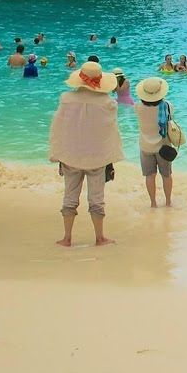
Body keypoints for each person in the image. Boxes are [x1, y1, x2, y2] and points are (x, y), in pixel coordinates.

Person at [48, 61, 123, 247]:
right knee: (97, 199)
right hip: (97, 157)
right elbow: (110, 132)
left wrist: (58, 153)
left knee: (69, 196)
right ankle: (100, 238)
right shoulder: (108, 103)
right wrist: (111, 158)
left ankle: (67, 238)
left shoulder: (66, 99)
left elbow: (58, 128)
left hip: (71, 155)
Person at [134, 76, 174, 208]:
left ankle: (153, 203)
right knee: (166, 175)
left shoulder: (137, 107)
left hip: (145, 146)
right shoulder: (167, 106)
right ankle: (168, 202)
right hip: (163, 147)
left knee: (150, 176)